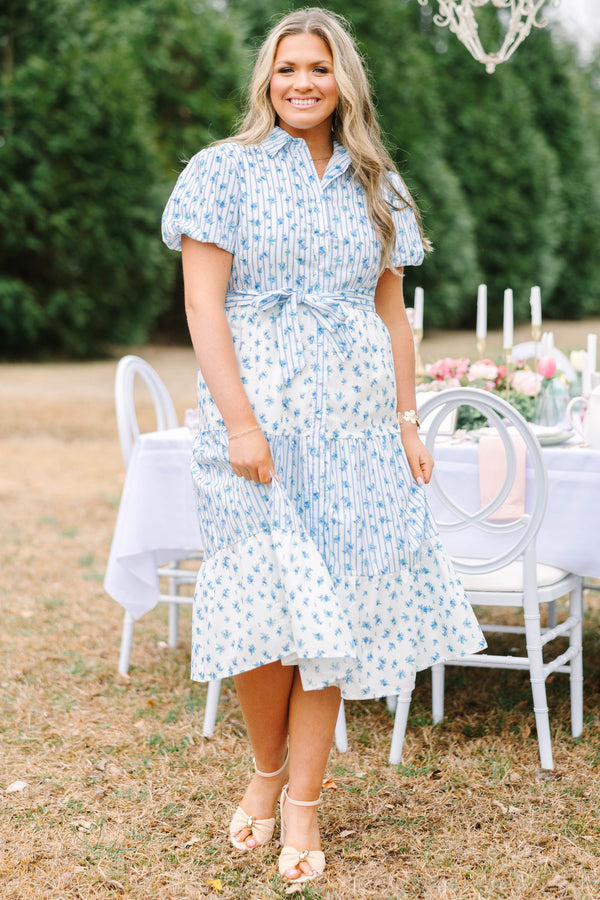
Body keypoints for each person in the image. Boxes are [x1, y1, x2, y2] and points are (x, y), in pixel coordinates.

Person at [162, 7, 485, 885]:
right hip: (254, 424)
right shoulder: (220, 172)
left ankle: (303, 799)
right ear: (266, 79)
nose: (302, 82)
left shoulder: (378, 184)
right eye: (286, 68)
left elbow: (393, 318)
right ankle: (265, 778)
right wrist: (239, 423)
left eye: (319, 68)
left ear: (345, 79)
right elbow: (202, 307)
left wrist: (409, 422)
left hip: (356, 431)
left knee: (332, 613)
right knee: (266, 617)